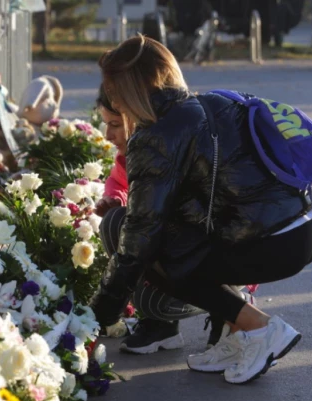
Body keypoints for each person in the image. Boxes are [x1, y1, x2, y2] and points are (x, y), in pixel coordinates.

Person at [90, 35, 312, 384]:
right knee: (171, 237)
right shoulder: (208, 103)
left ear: (124, 92)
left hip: (272, 240)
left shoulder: (156, 132)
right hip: (306, 228)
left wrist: (94, 320)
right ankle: (239, 335)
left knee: (134, 234)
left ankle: (260, 329)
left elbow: (140, 238)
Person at [94, 86, 222, 355]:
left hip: (215, 257)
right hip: (179, 252)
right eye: (106, 124)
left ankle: (232, 306)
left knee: (140, 236)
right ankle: (161, 325)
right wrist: (115, 199)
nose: (108, 135)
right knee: (116, 223)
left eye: (115, 124)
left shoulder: (173, 151)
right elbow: (119, 182)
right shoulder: (131, 156)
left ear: (137, 117)